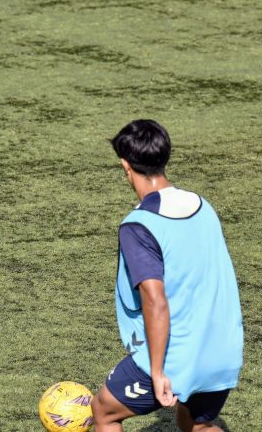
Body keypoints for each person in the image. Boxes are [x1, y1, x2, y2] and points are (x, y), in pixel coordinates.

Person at [91, 120, 244, 432]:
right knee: (196, 425)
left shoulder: (139, 226)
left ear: (125, 165)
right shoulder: (203, 206)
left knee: (104, 411)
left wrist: (158, 371)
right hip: (221, 347)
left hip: (177, 356)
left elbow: (154, 299)